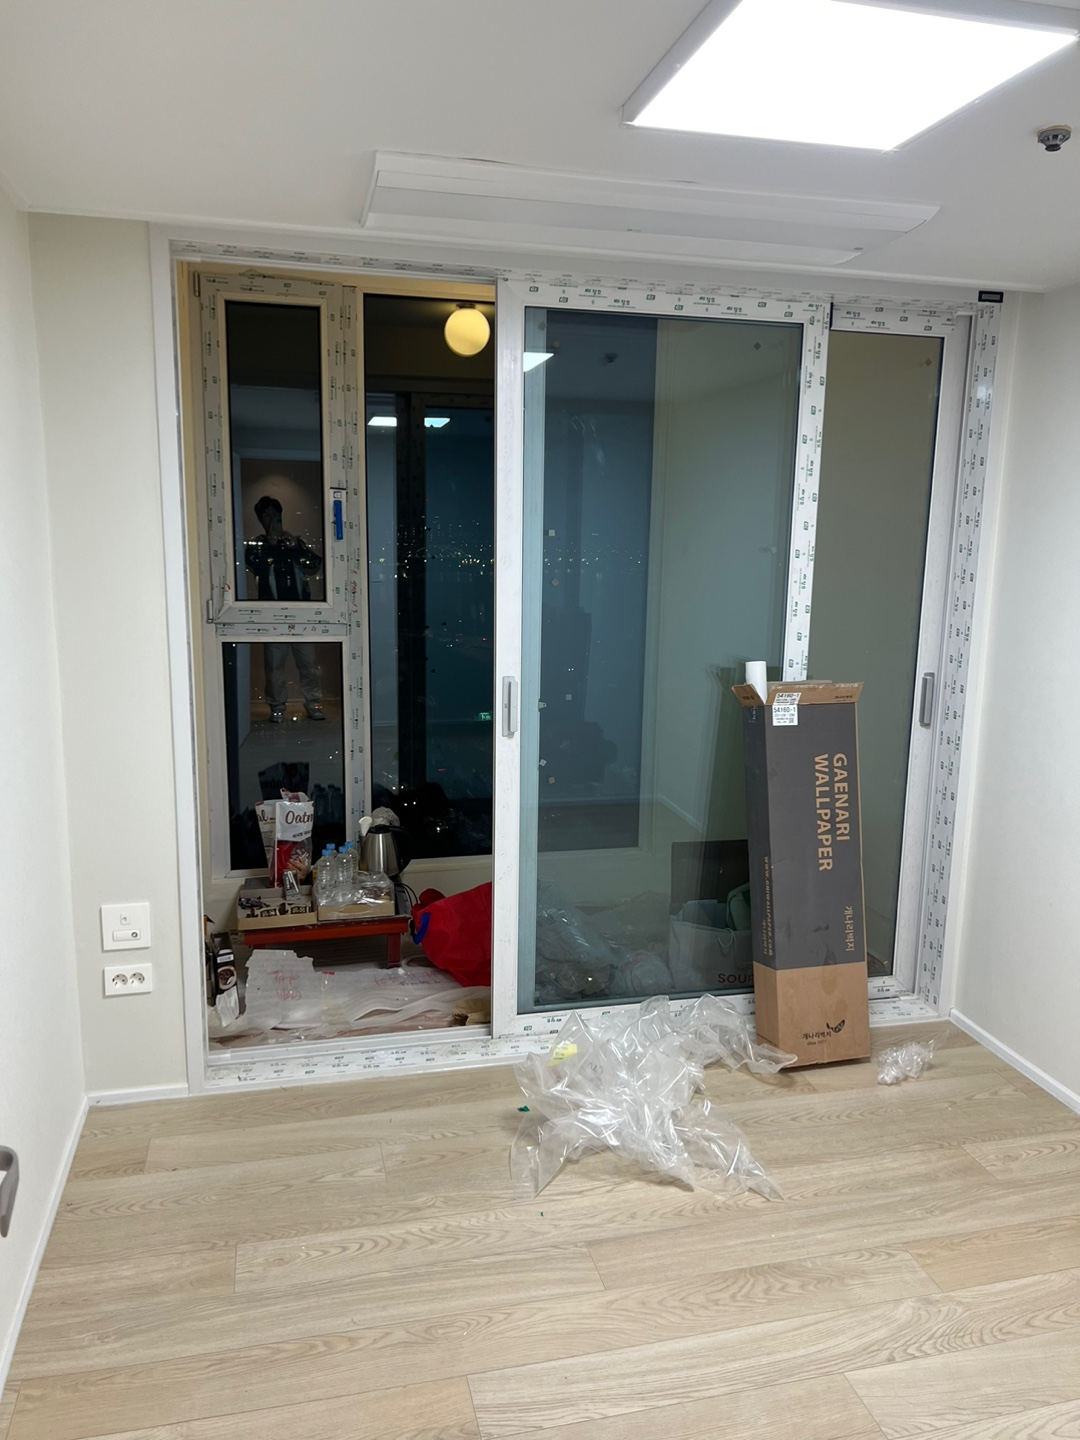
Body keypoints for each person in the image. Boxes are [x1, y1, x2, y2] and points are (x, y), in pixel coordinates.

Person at [245, 496, 326, 722]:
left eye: (276, 515)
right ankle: (277, 707)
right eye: (267, 516)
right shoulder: (257, 545)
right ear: (260, 519)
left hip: (301, 615)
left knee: (308, 664)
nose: (272, 519)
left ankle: (314, 704)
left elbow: (314, 565)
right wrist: (271, 544)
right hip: (273, 616)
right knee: (274, 667)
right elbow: (254, 565)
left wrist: (295, 547)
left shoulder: (294, 543)